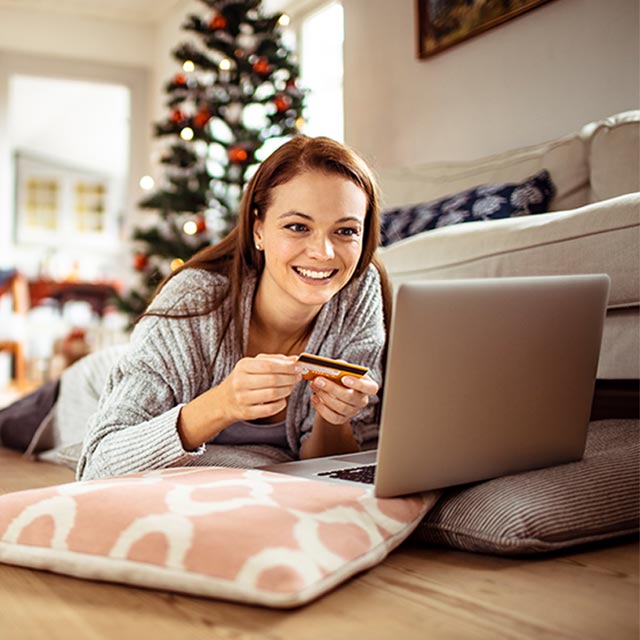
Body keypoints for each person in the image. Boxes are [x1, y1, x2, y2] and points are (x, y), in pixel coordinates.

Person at [74, 135, 392, 481]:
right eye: (298, 227)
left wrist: (335, 418)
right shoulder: (192, 298)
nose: (324, 253)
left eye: (345, 231)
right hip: (93, 382)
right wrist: (222, 403)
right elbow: (97, 466)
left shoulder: (358, 292)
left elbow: (328, 472)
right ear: (258, 230)